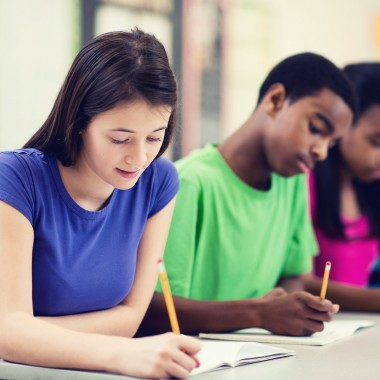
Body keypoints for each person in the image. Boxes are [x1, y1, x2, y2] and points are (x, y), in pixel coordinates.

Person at [0, 28, 201, 379]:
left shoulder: (158, 182)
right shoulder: (15, 179)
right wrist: (122, 353)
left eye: (155, 137)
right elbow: (9, 331)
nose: (139, 157)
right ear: (79, 122)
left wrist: (32, 334)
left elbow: (130, 317)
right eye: (120, 138)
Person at [138, 52, 356, 338]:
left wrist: (296, 309)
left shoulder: (291, 182)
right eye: (316, 129)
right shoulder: (190, 183)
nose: (322, 151)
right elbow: (151, 309)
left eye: (332, 143)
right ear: (276, 100)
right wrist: (259, 313)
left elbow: (294, 277)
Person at [305, 62, 380, 309]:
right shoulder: (304, 182)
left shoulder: (370, 190)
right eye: (375, 141)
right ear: (345, 124)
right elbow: (299, 283)